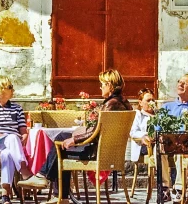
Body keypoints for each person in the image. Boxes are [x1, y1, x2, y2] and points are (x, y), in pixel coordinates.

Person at [41, 69, 132, 203]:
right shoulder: (126, 104)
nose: (100, 87)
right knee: (64, 137)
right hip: (110, 153)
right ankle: (58, 193)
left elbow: (95, 134)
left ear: (109, 85)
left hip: (96, 153)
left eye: (102, 84)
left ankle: (53, 188)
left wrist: (74, 139)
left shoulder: (110, 104)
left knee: (61, 143)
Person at [0, 75, 34, 204]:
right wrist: (8, 137)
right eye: (10, 87)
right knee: (12, 137)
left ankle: (5, 195)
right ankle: (25, 171)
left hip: (12, 146)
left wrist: (22, 138)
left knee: (7, 154)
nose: (13, 90)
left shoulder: (17, 108)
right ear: (0, 89)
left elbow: (23, 132)